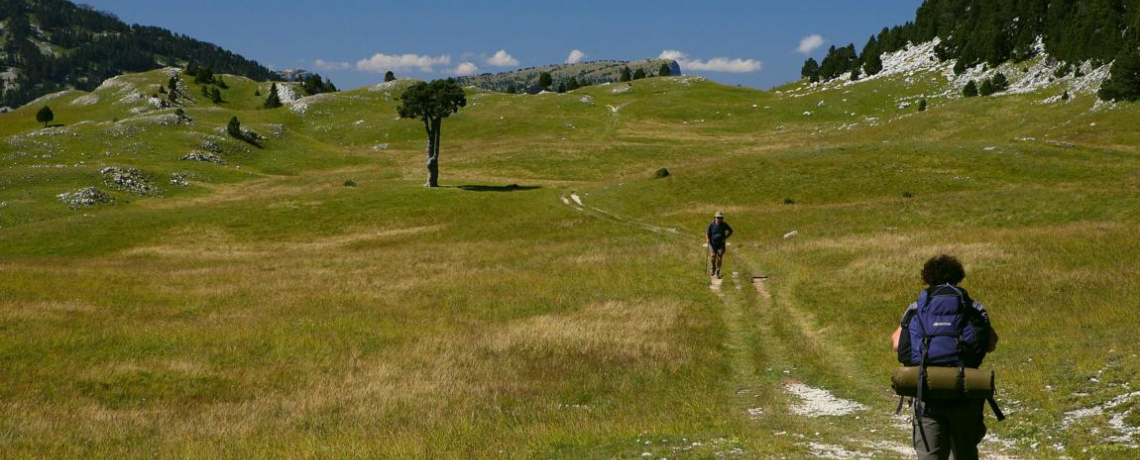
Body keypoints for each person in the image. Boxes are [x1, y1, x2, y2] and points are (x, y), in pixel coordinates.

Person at [891, 255, 1000, 460]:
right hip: (965, 392)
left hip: (928, 393)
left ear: (927, 278)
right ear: (958, 277)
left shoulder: (917, 307)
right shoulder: (972, 306)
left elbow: (897, 343)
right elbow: (991, 343)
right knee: (965, 454)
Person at [706, 211, 734, 279]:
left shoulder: (724, 224)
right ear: (715, 218)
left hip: (721, 243)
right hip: (712, 243)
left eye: (720, 218)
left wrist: (726, 237)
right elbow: (707, 232)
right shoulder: (711, 224)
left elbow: (731, 231)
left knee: (720, 256)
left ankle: (718, 271)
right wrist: (707, 239)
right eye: (717, 217)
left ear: (722, 218)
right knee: (713, 256)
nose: (719, 219)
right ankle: (713, 267)